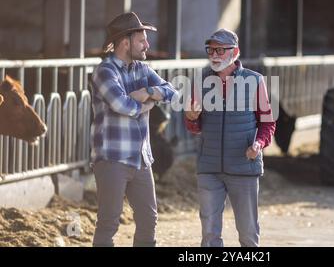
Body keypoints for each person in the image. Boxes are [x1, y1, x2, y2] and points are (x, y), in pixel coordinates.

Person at [90, 12, 177, 247]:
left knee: (149, 219)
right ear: (125, 43)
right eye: (142, 40)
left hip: (141, 158)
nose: (147, 45)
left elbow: (170, 91)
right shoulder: (104, 71)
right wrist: (150, 101)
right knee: (109, 222)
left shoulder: (142, 68)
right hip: (112, 158)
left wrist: (146, 93)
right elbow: (122, 105)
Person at [184, 28, 276, 247]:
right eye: (211, 50)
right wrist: (191, 117)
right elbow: (194, 127)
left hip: (244, 167)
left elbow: (268, 123)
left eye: (220, 50)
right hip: (209, 168)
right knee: (209, 235)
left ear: (235, 52)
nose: (214, 55)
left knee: (248, 234)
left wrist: (259, 144)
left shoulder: (255, 81)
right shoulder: (201, 81)